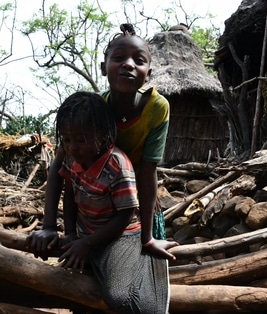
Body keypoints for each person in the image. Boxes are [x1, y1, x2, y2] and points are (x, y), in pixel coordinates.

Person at [32, 90, 201, 314]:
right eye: (66, 140)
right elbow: (69, 195)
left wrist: (87, 244)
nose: (72, 146)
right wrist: (70, 235)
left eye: (80, 139)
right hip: (88, 232)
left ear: (102, 136)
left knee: (119, 296)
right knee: (65, 278)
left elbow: (124, 217)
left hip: (122, 235)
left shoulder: (117, 166)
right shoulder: (71, 158)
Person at [27, 23, 173, 261]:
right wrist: (50, 226)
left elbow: (148, 171)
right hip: (97, 202)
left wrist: (147, 237)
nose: (128, 64)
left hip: (134, 207)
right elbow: (61, 167)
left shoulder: (157, 108)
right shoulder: (93, 110)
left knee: (140, 262)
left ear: (150, 73)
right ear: (104, 68)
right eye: (119, 58)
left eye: (139, 60)